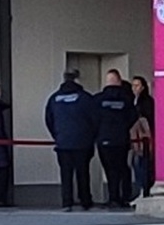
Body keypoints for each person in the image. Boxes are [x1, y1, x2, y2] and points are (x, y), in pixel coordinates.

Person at [45, 72, 97, 211]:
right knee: (83, 172)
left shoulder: (54, 98)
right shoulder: (86, 98)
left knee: (65, 174)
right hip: (82, 142)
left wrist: (57, 135)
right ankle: (85, 200)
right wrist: (91, 137)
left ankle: (67, 202)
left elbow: (49, 119)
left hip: (63, 142)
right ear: (77, 79)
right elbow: (95, 119)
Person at [94, 69, 136, 208]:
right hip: (121, 139)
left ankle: (113, 197)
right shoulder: (126, 99)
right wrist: (124, 127)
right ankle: (124, 197)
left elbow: (92, 119)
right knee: (122, 167)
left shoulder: (98, 99)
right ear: (119, 81)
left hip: (104, 139)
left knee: (109, 169)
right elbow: (133, 116)